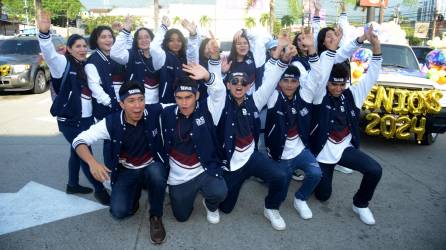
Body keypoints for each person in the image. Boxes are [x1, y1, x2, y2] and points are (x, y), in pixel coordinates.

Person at [72, 81, 168, 244]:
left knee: (157, 174)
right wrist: (92, 162)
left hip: (151, 166)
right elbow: (78, 141)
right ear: (121, 103)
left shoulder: (154, 111)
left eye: (141, 99)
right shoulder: (111, 122)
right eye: (131, 101)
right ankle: (134, 193)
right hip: (127, 170)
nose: (138, 106)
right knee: (119, 212)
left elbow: (182, 103)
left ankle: (156, 217)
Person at [217, 36, 296, 230]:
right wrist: (217, 71)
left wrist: (283, 61)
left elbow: (270, 82)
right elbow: (214, 88)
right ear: (228, 85)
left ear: (249, 86)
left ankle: (271, 208)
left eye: (243, 82)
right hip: (231, 164)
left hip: (251, 156)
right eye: (234, 81)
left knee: (280, 176)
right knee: (225, 207)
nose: (238, 85)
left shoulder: (255, 101)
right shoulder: (219, 105)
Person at [311, 26, 383, 225]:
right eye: (334, 84)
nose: (338, 88)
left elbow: (372, 75)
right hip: (322, 153)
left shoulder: (352, 95)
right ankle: (313, 173)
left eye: (342, 84)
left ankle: (360, 204)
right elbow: (322, 73)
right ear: (327, 83)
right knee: (323, 195)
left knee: (375, 170)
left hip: (344, 149)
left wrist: (376, 47)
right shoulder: (318, 96)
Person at [36, 11, 108, 204]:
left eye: (84, 46)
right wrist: (44, 34)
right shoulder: (62, 64)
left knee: (76, 150)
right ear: (68, 48)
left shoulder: (85, 65)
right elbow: (50, 55)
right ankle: (100, 190)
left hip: (85, 119)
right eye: (78, 46)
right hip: (70, 120)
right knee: (85, 152)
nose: (82, 49)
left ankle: (72, 184)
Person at [264, 29, 336, 220]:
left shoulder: (304, 96)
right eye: (285, 80)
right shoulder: (273, 97)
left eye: (293, 81)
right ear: (280, 82)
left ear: (298, 83)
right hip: (279, 154)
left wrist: (312, 48)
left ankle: (300, 198)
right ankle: (271, 208)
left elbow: (317, 76)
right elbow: (268, 76)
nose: (289, 84)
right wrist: (279, 48)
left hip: (299, 151)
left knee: (316, 173)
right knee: (281, 185)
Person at [161, 40, 228, 223]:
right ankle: (177, 193)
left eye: (189, 97)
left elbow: (219, 93)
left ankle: (210, 205)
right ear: (174, 97)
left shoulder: (208, 111)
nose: (184, 103)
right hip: (179, 176)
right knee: (181, 217)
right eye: (179, 98)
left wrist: (209, 75)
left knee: (220, 192)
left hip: (203, 170)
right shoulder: (166, 112)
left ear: (197, 96)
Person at [111, 16, 160, 104]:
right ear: (136, 41)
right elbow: (114, 53)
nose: (144, 40)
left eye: (147, 37)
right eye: (140, 38)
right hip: (134, 104)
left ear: (152, 39)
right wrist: (125, 31)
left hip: (154, 104)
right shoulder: (131, 54)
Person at [151, 16, 200, 103]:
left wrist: (193, 35)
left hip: (186, 103)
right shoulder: (162, 57)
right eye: (171, 40)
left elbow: (192, 53)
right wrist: (163, 28)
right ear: (166, 42)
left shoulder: (185, 58)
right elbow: (154, 48)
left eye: (179, 40)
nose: (175, 43)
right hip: (166, 104)